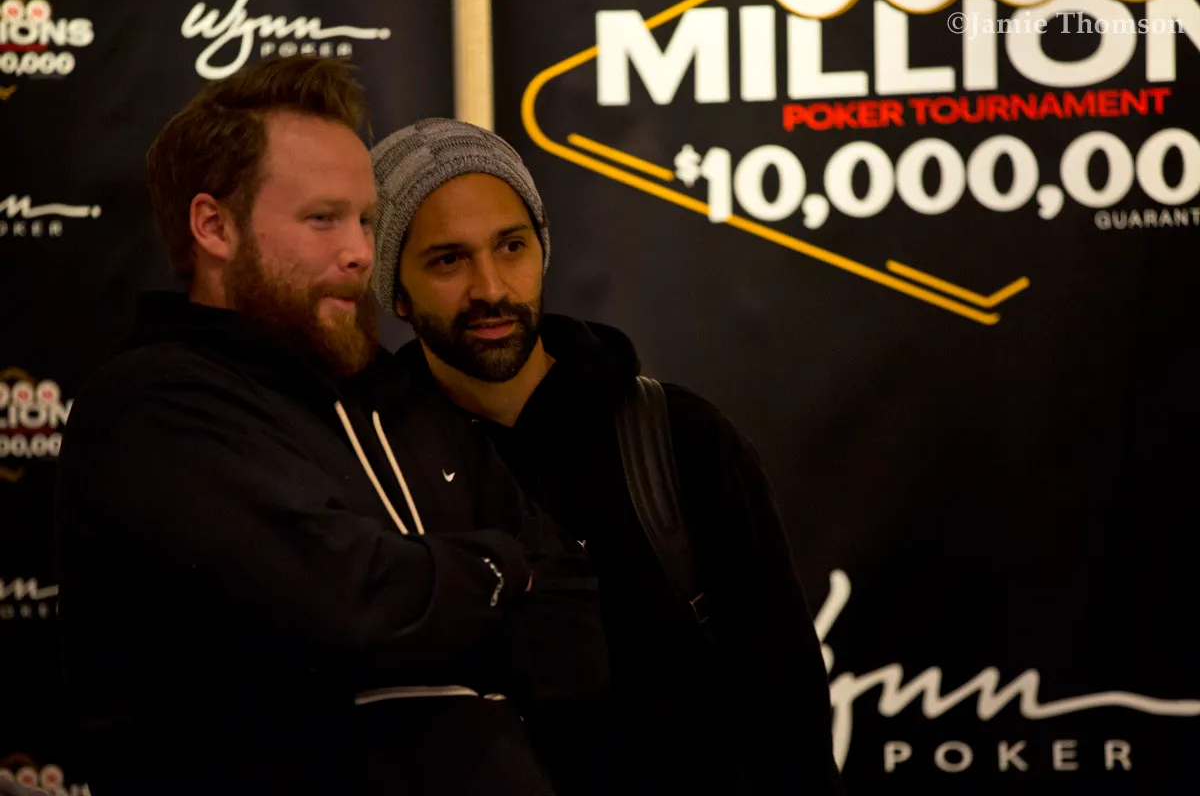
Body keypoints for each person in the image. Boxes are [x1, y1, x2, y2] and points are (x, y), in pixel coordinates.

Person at [53, 60, 605, 796]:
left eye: (367, 220)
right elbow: (351, 605)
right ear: (214, 226)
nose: (359, 252)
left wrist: (429, 607)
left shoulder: (396, 396)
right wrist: (503, 569)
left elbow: (577, 631)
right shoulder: (157, 405)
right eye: (323, 219)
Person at [368, 117, 847, 796]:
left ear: (543, 250)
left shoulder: (677, 435)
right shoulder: (373, 462)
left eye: (511, 246)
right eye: (449, 260)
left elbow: (786, 703)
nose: (491, 288)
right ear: (394, 290)